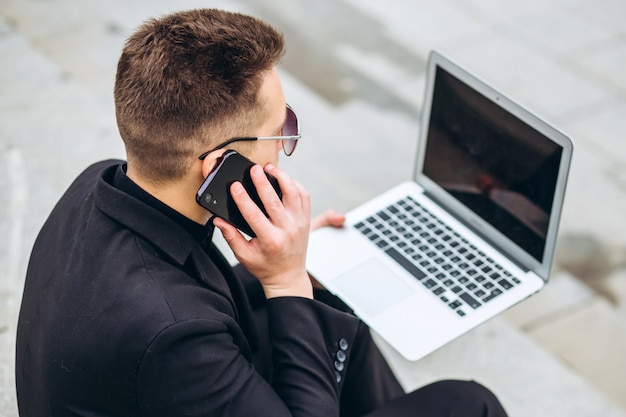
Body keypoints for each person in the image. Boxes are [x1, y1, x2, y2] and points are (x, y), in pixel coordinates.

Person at [15, 8, 509, 417]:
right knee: (469, 402)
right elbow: (175, 316)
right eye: (281, 131)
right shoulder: (173, 334)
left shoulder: (100, 184)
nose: (285, 146)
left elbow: (182, 286)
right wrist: (286, 281)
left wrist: (291, 266)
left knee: (331, 308)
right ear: (219, 165)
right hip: (165, 374)